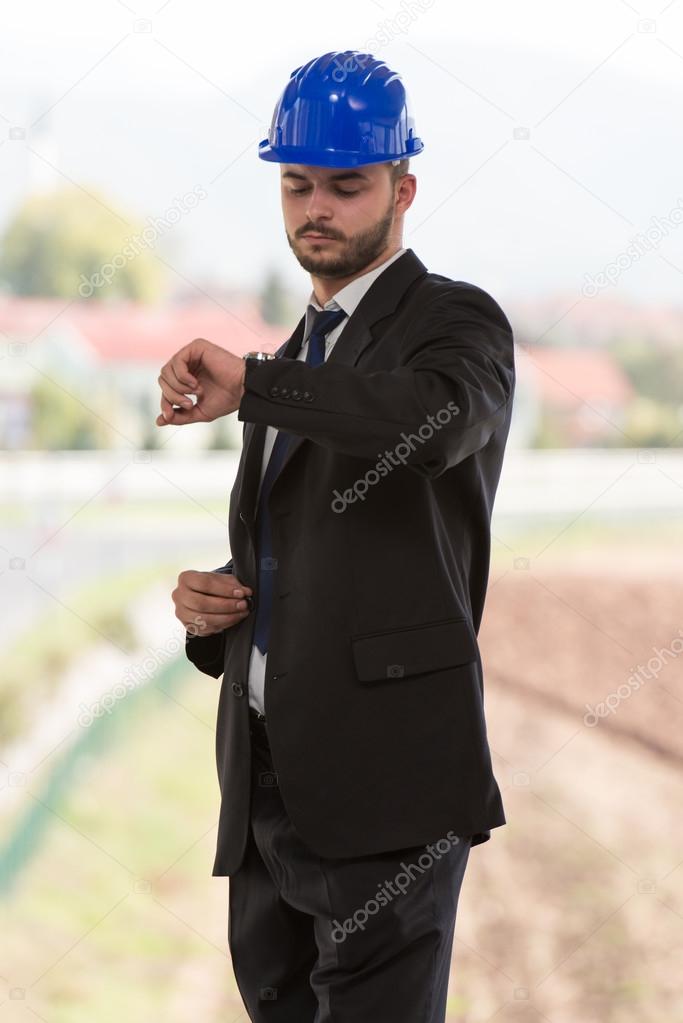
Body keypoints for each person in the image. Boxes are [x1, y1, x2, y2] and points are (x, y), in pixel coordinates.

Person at [158, 49, 515, 1023]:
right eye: (296, 183)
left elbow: (436, 424)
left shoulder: (453, 326)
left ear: (402, 189)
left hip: (385, 801)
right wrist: (213, 609)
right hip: (269, 798)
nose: (316, 207)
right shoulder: (292, 359)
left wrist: (261, 387)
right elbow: (303, 552)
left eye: (345, 186)